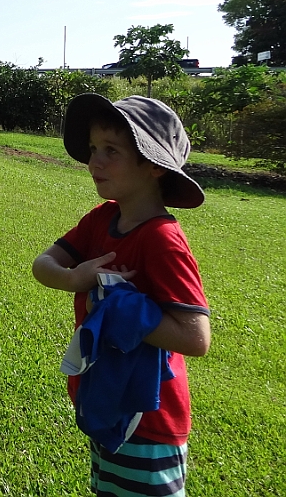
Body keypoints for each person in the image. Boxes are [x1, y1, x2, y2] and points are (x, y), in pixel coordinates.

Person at [32, 94, 211, 496]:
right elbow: (43, 264)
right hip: (104, 397)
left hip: (148, 417)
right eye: (93, 148)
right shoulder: (102, 219)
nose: (94, 161)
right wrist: (76, 278)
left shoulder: (163, 240)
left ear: (152, 165)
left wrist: (122, 309)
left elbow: (196, 337)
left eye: (111, 151)